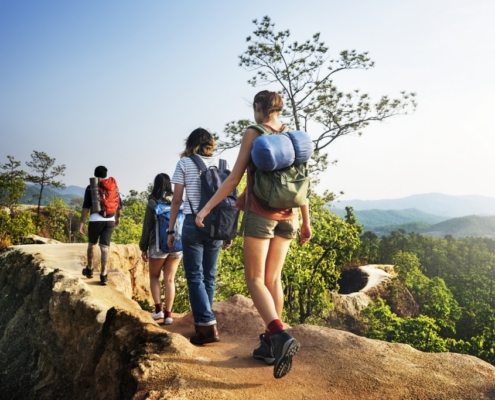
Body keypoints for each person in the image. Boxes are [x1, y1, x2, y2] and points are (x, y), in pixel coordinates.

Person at [195, 90, 312, 379]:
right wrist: (307, 222)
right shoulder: (292, 137)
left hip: (262, 217)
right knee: (274, 279)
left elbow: (233, 177)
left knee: (255, 279)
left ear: (258, 107)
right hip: (291, 215)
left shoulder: (254, 133)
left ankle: (280, 335)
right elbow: (300, 182)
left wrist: (206, 209)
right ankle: (269, 346)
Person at [167, 128, 231, 345]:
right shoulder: (223, 163)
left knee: (195, 276)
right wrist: (228, 230)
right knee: (209, 277)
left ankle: (206, 325)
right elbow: (229, 198)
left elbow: (176, 200)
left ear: (190, 143)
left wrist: (170, 229)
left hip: (194, 223)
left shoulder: (185, 163)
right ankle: (205, 321)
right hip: (218, 224)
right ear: (210, 143)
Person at [139, 173, 182, 324]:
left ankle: (158, 311)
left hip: (158, 245)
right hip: (177, 245)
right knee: (170, 279)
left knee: (154, 276)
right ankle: (169, 315)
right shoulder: (178, 199)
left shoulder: (153, 202)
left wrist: (143, 247)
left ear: (156, 184)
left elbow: (147, 226)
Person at [80, 165, 122, 286]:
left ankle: (90, 269)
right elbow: (119, 204)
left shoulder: (91, 187)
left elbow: (86, 206)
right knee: (105, 247)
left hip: (95, 219)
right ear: (106, 174)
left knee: (92, 244)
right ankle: (104, 275)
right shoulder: (114, 187)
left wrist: (82, 221)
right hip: (110, 220)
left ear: (95, 174)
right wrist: (118, 218)